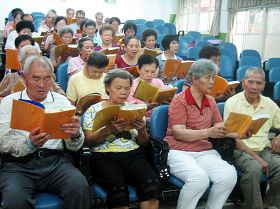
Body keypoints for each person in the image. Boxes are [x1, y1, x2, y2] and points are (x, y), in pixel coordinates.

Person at [0, 56, 91, 209]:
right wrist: (29, 144)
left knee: (80, 188)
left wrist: (75, 135)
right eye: (35, 78)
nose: (42, 85)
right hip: (19, 166)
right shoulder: (10, 102)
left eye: (47, 79)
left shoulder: (61, 101)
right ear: (24, 78)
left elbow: (74, 146)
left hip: (56, 163)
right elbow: (2, 142)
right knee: (14, 200)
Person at [165, 59, 237, 209]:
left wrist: (239, 133)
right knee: (199, 179)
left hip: (204, 151)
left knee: (229, 176)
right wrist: (208, 132)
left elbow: (219, 126)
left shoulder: (210, 101)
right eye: (208, 77)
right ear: (195, 79)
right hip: (178, 151)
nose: (212, 82)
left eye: (213, 77)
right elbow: (178, 133)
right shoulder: (179, 100)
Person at [83, 68, 159, 209]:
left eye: (127, 88)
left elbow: (143, 143)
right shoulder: (94, 110)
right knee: (118, 191)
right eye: (118, 88)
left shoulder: (134, 109)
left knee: (151, 185)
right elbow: (88, 141)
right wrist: (109, 130)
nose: (123, 92)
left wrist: (142, 129)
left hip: (133, 155)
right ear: (107, 87)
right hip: (104, 156)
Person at [224, 67, 280, 209]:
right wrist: (257, 158)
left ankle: (269, 202)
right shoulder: (232, 103)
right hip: (240, 149)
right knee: (254, 169)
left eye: (259, 83)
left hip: (264, 148)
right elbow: (229, 136)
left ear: (264, 85)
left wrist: (279, 137)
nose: (254, 87)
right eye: (251, 82)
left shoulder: (269, 104)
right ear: (243, 82)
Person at [0, 45, 65, 102]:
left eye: (37, 59)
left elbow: (61, 94)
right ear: (21, 62)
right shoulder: (11, 77)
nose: (34, 62)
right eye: (30, 60)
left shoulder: (46, 78)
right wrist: (11, 102)